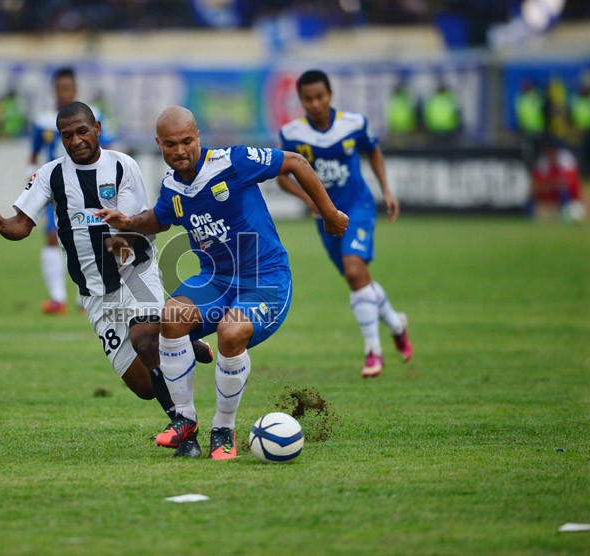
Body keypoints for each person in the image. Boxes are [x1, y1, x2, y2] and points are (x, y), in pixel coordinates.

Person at [96, 106, 349, 460]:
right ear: (159, 144)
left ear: (198, 137)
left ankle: (224, 429)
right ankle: (185, 419)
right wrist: (128, 222)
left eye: (187, 141)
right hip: (215, 278)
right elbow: (160, 218)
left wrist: (329, 211)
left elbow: (295, 162)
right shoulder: (172, 186)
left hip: (265, 278)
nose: (180, 150)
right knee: (172, 316)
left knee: (231, 332)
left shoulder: (234, 161)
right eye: (171, 144)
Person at [0, 102, 213, 435]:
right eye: (67, 135)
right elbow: (22, 224)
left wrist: (123, 241)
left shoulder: (122, 166)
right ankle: (182, 341)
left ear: (97, 129)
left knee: (145, 342)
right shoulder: (50, 174)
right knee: (145, 385)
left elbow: (137, 222)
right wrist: (1, 224)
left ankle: (182, 425)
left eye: (82, 131)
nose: (76, 141)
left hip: (136, 273)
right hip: (94, 293)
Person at [277, 69, 413, 378]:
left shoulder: (354, 124)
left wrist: (386, 190)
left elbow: (373, 151)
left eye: (320, 96)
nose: (315, 103)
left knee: (354, 271)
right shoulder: (292, 134)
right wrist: (309, 200)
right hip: (326, 215)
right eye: (308, 99)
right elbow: (282, 176)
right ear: (300, 101)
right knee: (359, 278)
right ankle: (396, 322)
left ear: (330, 95)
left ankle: (373, 353)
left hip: (358, 206)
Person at [28, 67, 114, 315]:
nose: (64, 92)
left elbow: (106, 149)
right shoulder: (43, 120)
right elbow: (33, 155)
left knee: (89, 238)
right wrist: (33, 183)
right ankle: (57, 298)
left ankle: (85, 297)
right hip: (57, 188)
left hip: (88, 186)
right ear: (54, 90)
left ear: (75, 89)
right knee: (53, 238)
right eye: (60, 88)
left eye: (69, 88)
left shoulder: (93, 116)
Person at [529, 136, 585, 222]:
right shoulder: (542, 161)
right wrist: (551, 184)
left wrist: (547, 184)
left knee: (563, 192)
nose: (550, 152)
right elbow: (534, 187)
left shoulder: (566, 159)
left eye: (552, 149)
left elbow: (566, 183)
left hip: (570, 199)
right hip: (548, 196)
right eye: (548, 149)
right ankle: (532, 218)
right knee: (529, 200)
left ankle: (564, 216)